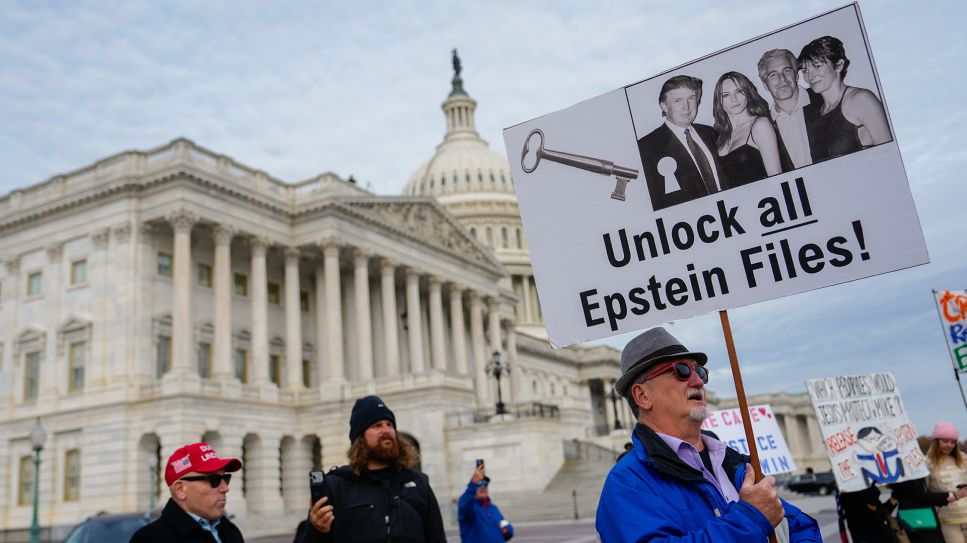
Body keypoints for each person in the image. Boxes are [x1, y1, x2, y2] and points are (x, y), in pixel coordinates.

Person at [595, 327, 822, 542]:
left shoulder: (735, 464)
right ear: (643, 396)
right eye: (681, 371)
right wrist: (750, 519)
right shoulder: (627, 483)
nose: (698, 381)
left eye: (700, 371)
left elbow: (800, 525)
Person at [297, 395, 446, 543]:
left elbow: (437, 538)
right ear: (360, 438)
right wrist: (316, 530)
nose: (386, 430)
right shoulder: (336, 486)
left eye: (389, 424)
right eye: (377, 425)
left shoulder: (418, 483)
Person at [638, 75, 729, 211]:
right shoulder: (647, 147)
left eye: (691, 99)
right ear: (664, 106)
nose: (686, 107)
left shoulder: (711, 133)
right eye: (677, 100)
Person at [798, 35, 891, 162]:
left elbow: (889, 154)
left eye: (817, 66)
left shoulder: (861, 99)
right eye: (804, 70)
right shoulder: (815, 112)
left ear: (839, 66)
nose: (809, 76)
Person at [130, 442, 244, 543]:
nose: (225, 488)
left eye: (225, 478)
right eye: (214, 480)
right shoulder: (150, 539)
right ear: (180, 489)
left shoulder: (230, 530)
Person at [711, 71, 783, 186]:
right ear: (719, 101)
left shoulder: (760, 125)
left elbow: (777, 177)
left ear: (748, 93)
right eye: (726, 95)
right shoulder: (717, 136)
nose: (733, 99)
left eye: (739, 91)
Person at [757, 48, 814, 169]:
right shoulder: (764, 126)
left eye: (787, 71)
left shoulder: (823, 101)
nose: (782, 78)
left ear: (796, 75)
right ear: (765, 85)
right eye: (773, 74)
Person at [926, 421, 967, 542]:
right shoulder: (926, 463)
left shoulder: (964, 458)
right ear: (936, 441)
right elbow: (925, 494)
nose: (949, 445)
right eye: (945, 441)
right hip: (947, 521)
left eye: (953, 442)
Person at [458, 463, 514, 542]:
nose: (483, 486)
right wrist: (472, 484)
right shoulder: (470, 507)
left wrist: (508, 530)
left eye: (485, 484)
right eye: (479, 483)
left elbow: (504, 524)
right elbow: (464, 506)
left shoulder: (493, 508)